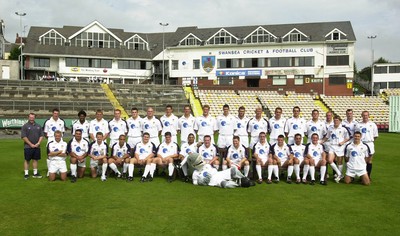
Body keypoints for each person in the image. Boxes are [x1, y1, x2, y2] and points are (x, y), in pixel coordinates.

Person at [321, 116, 351, 183]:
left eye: (337, 120)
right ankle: (340, 174)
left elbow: (348, 138)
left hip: (340, 147)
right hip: (332, 146)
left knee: (339, 162)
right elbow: (327, 137)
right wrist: (322, 141)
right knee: (329, 160)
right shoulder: (330, 128)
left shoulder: (343, 129)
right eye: (334, 120)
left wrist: (342, 142)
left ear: (340, 121)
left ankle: (338, 176)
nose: (336, 121)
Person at [354, 110, 378, 178]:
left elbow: (375, 136)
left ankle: (368, 176)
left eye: (366, 115)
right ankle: (362, 176)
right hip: (361, 144)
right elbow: (356, 135)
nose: (365, 116)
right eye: (364, 115)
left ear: (368, 116)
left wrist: (370, 141)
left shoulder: (373, 124)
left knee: (369, 161)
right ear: (362, 116)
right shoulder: (358, 125)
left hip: (369, 143)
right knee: (362, 160)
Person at [21, 112, 44, 179]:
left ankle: (35, 173)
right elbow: (23, 137)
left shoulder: (38, 126)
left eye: (33, 117)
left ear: (35, 118)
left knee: (35, 159)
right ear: (28, 117)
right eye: (30, 117)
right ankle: (26, 174)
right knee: (27, 160)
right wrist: (30, 144)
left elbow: (41, 135)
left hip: (37, 146)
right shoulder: (25, 126)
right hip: (28, 146)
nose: (31, 119)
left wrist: (38, 143)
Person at [43, 108, 66, 176]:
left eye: (57, 113)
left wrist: (59, 138)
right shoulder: (48, 121)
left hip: (60, 140)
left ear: (59, 114)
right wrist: (51, 139)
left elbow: (63, 131)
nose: (56, 115)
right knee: (49, 155)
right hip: (51, 139)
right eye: (55, 113)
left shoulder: (61, 121)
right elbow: (45, 132)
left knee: (61, 153)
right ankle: (50, 170)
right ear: (52, 113)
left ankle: (59, 169)